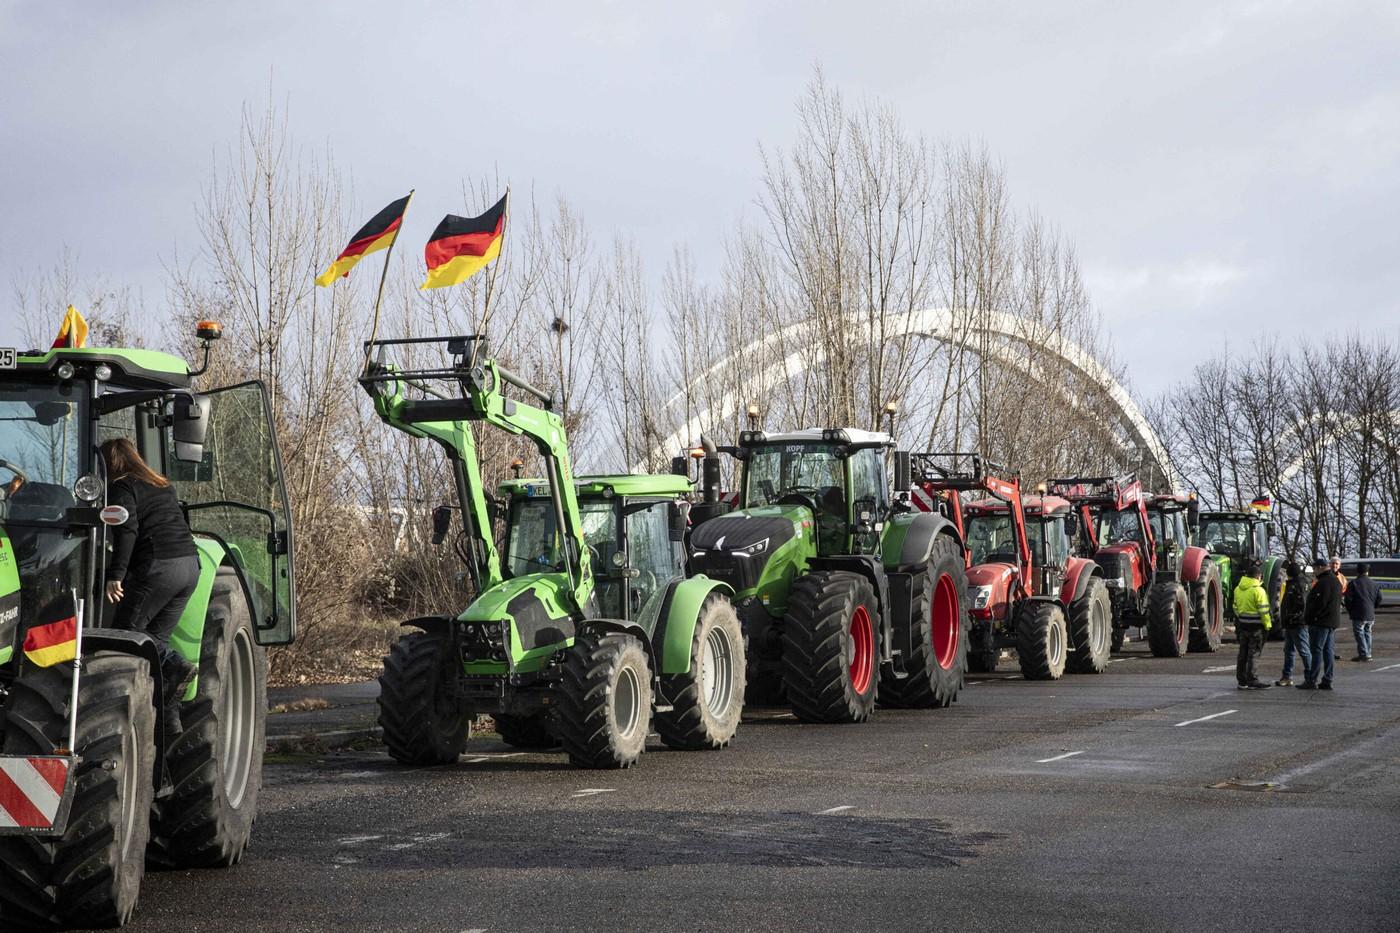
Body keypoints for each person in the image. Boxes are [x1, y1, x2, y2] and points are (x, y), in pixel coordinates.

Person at [101, 438, 200, 734]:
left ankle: (177, 666)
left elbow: (127, 530)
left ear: (109, 463)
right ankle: (170, 721)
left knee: (124, 636)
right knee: (156, 640)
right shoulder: (160, 485)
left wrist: (115, 574)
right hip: (190, 567)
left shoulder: (122, 486)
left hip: (161, 567)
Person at [1302, 557, 1343, 690]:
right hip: (1332, 621)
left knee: (1316, 651)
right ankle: (1327, 679)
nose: (1314, 572)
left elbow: (1319, 604)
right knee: (1328, 651)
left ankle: (1311, 680)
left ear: (1320, 568)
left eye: (1314, 569)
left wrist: (1310, 618)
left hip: (1320, 622)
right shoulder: (1336, 581)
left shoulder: (1323, 582)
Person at [1233, 557, 1273, 689]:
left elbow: (1235, 607)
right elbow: (1264, 611)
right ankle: (1252, 679)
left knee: (1242, 654)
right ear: (1258, 576)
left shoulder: (1238, 589)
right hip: (1257, 627)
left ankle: (1242, 680)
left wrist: (1242, 618)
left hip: (1243, 625)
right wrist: (1267, 625)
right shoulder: (1259, 590)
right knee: (1254, 654)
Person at [1274, 559, 1312, 687]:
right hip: (1292, 623)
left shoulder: (1297, 585)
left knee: (1303, 651)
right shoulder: (1298, 583)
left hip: (1297, 623)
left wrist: (1292, 617)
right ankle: (1287, 676)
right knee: (1289, 650)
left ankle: (1310, 677)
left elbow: (1302, 605)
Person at [1345, 563, 1384, 661]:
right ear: (1367, 571)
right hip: (1370, 613)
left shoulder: (1354, 583)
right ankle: (1367, 653)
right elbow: (1380, 598)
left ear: (1357, 571)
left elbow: (1348, 600)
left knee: (1359, 633)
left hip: (1358, 613)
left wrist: (1350, 610)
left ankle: (1364, 654)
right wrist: (1373, 607)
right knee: (1367, 633)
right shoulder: (1374, 584)